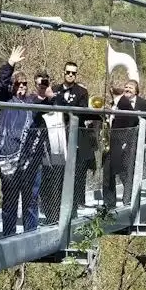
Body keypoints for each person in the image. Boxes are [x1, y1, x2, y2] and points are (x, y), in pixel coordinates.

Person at [0, 47, 51, 236]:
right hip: (9, 160)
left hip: (30, 160)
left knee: (31, 201)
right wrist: (10, 64)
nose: (22, 87)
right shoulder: (5, 101)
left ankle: (30, 237)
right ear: (12, 86)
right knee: (10, 201)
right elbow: (0, 85)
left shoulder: (32, 102)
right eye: (18, 84)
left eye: (25, 84)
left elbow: (48, 108)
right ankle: (8, 236)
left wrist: (49, 96)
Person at [43, 60, 97, 219]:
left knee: (74, 176)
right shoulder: (54, 89)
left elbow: (78, 112)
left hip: (74, 137)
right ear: (64, 72)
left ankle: (72, 213)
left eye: (74, 73)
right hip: (56, 136)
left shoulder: (82, 92)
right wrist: (51, 99)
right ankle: (54, 212)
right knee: (56, 174)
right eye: (68, 72)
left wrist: (58, 101)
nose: (71, 75)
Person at [102, 80, 146, 208]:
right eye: (126, 87)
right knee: (108, 172)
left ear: (136, 91)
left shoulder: (137, 104)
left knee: (126, 173)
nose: (127, 89)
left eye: (130, 87)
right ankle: (109, 203)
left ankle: (128, 200)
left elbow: (144, 123)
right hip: (112, 142)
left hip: (128, 143)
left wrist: (143, 142)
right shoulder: (115, 103)